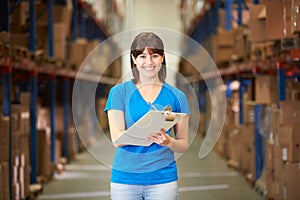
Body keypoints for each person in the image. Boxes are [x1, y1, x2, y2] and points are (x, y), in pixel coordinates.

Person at [104, 32, 190, 200]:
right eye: (142, 56)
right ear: (134, 59)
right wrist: (147, 132)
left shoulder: (177, 96)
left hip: (163, 180)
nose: (149, 62)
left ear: (162, 58)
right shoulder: (119, 93)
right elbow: (117, 139)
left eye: (155, 56)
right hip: (125, 180)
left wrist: (169, 141)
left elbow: (183, 144)